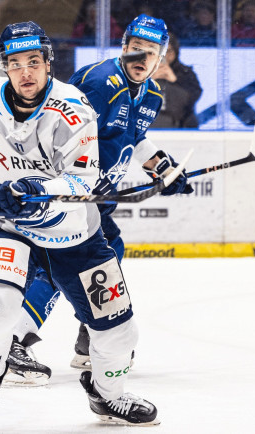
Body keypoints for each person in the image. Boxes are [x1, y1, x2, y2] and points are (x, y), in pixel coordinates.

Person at [0, 21, 171, 431]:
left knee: (120, 332)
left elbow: (82, 181)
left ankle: (108, 397)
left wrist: (35, 187)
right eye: (15, 64)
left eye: (33, 62)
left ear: (48, 63)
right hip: (9, 228)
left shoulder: (75, 107)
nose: (25, 72)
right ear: (4, 66)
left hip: (75, 234)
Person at [64, 14, 194, 368]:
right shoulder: (101, 81)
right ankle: (14, 340)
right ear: (124, 48)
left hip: (96, 199)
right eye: (135, 50)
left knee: (106, 252)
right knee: (55, 263)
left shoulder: (150, 92)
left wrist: (164, 169)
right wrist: (88, 176)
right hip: (67, 191)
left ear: (162, 56)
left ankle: (89, 338)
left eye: (150, 52)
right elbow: (68, 133)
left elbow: (133, 137)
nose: (141, 59)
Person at [150, 32, 202, 128]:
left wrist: (175, 80)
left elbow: (193, 97)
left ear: (175, 51)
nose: (164, 56)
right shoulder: (139, 71)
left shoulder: (185, 72)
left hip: (179, 125)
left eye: (169, 51)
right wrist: (148, 81)